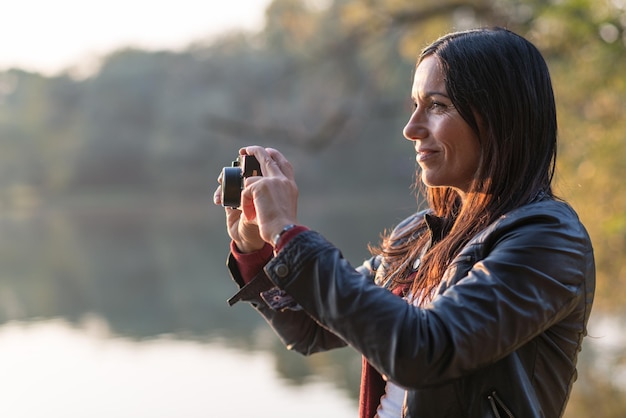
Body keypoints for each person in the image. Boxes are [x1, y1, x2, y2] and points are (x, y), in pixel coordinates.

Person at [213, 27, 595, 418]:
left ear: (500, 116)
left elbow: (425, 350)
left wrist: (289, 235)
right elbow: (310, 329)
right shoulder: (419, 235)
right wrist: (257, 247)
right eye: (415, 104)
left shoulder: (549, 240)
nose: (411, 128)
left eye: (437, 106)